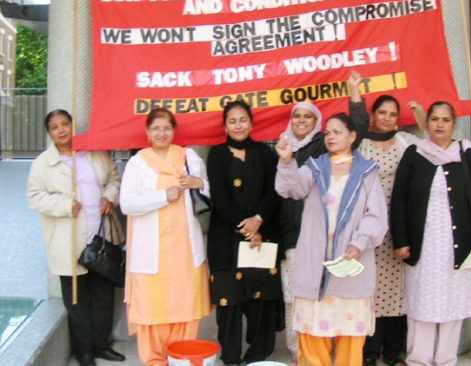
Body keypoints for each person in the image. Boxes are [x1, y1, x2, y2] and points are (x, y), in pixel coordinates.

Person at [276, 112, 388, 366]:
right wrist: (286, 161)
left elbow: (376, 216)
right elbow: (290, 188)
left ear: (352, 136)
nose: (331, 137)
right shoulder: (315, 168)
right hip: (315, 265)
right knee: (313, 337)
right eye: (327, 133)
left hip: (350, 266)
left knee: (350, 339)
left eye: (337, 132)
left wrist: (359, 244)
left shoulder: (366, 173)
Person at [390, 101, 471, 366]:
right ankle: (419, 360)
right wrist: (400, 240)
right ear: (427, 123)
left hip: (457, 244)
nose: (439, 124)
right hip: (423, 244)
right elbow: (399, 198)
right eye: (434, 119)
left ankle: (447, 360)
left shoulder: (466, 153)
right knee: (421, 304)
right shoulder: (415, 153)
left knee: (453, 304)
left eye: (446, 120)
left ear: (454, 124)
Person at [27, 109, 125, 366]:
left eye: (65, 124)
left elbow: (114, 178)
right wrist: (63, 204)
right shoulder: (43, 163)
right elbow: (35, 196)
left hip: (100, 238)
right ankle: (84, 352)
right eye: (55, 127)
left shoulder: (93, 152)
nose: (61, 130)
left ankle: (102, 346)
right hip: (68, 242)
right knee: (77, 300)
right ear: (49, 132)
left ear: (72, 125)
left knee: (103, 295)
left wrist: (109, 197)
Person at [119, 107, 211, 366]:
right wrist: (163, 196)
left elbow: (209, 193)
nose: (161, 133)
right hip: (150, 255)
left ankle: (182, 357)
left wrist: (199, 184)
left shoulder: (189, 157)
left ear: (174, 131)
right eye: (156, 128)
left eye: (167, 128)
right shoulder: (138, 163)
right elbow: (126, 204)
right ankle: (155, 361)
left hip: (185, 251)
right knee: (151, 311)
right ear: (147, 132)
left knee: (186, 308)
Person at [207, 100, 282, 365]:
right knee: (230, 302)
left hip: (261, 237)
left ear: (251, 123)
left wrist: (259, 220)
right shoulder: (216, 154)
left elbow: (275, 191)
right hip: (226, 240)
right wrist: (247, 227)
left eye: (243, 120)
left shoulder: (264, 153)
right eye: (232, 121)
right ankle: (230, 357)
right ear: (225, 126)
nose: (238, 125)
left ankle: (258, 356)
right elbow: (220, 197)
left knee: (260, 300)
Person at [358, 95, 421, 366]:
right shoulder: (360, 143)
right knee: (368, 289)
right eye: (382, 113)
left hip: (398, 225)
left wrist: (418, 112)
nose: (387, 118)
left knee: (397, 291)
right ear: (373, 115)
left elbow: (434, 140)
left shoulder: (407, 142)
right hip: (368, 225)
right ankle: (369, 351)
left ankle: (394, 352)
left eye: (393, 114)